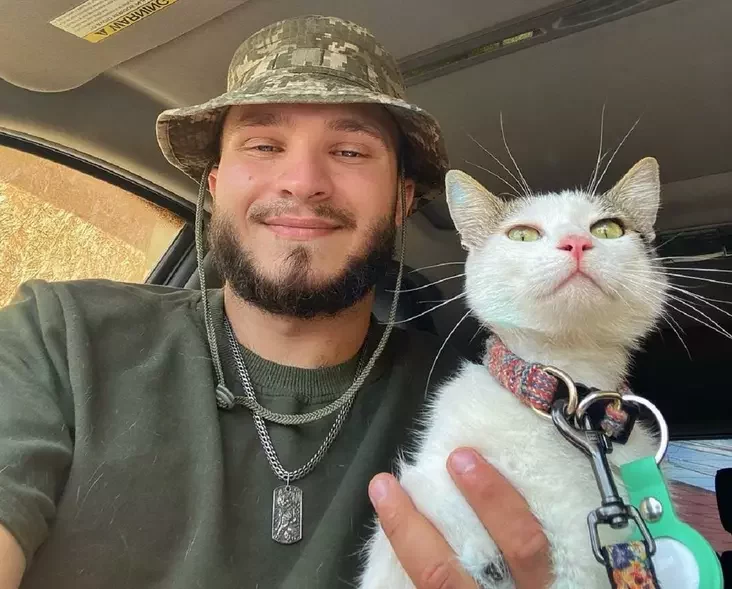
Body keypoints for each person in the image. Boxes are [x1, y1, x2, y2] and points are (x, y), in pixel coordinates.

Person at [0, 15, 552, 588]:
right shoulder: (60, 338)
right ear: (216, 189)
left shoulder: (484, 403)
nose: (303, 181)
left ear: (400, 201)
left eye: (349, 151)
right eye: (264, 145)